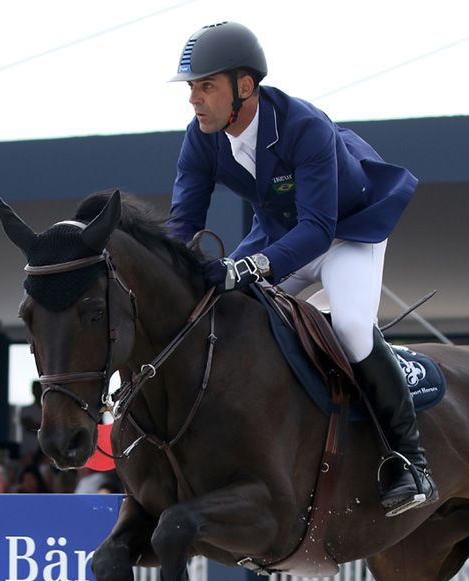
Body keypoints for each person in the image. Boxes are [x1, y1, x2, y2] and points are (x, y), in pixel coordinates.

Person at [168, 21, 438, 517]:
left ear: (243, 87)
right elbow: (183, 222)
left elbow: (318, 228)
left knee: (354, 327)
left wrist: (253, 266)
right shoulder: (201, 138)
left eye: (206, 85)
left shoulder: (303, 126)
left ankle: (409, 461)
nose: (194, 99)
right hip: (281, 232)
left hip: (346, 231)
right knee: (226, 311)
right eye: (191, 87)